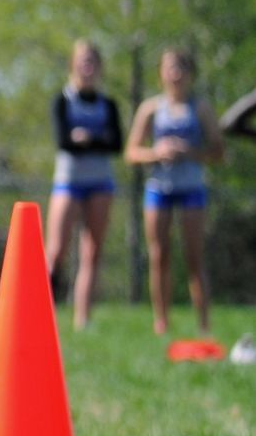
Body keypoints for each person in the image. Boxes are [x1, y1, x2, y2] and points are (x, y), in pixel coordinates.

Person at [126, 47, 225, 336]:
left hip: (192, 189)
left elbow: (218, 151)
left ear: (190, 74)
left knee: (194, 256)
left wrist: (190, 152)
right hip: (159, 189)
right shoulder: (151, 109)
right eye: (170, 67)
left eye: (181, 67)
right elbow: (131, 152)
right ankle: (161, 322)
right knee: (159, 255)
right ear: (161, 73)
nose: (176, 74)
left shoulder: (201, 109)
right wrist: (156, 153)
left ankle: (204, 325)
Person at [43, 40, 123, 331]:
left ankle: (82, 319)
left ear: (99, 67)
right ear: (72, 65)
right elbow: (64, 141)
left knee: (92, 252)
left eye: (92, 61)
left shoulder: (108, 105)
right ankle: (45, 312)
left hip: (100, 184)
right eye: (82, 60)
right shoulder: (62, 101)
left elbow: (116, 144)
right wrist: (94, 140)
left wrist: (87, 139)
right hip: (68, 183)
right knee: (56, 251)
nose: (87, 66)